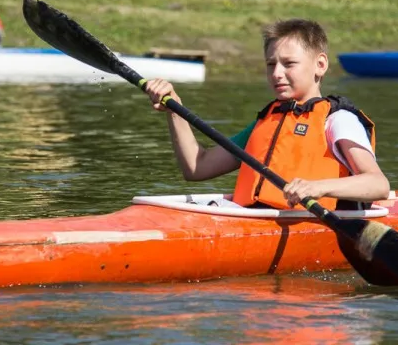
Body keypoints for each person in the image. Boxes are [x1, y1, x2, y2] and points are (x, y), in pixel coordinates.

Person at [144, 18, 390, 210]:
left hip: (309, 222)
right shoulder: (267, 122)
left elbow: (378, 185)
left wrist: (318, 188)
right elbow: (198, 168)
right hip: (252, 215)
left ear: (320, 65)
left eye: (289, 64)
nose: (276, 73)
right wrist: (175, 110)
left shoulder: (338, 120)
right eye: (271, 64)